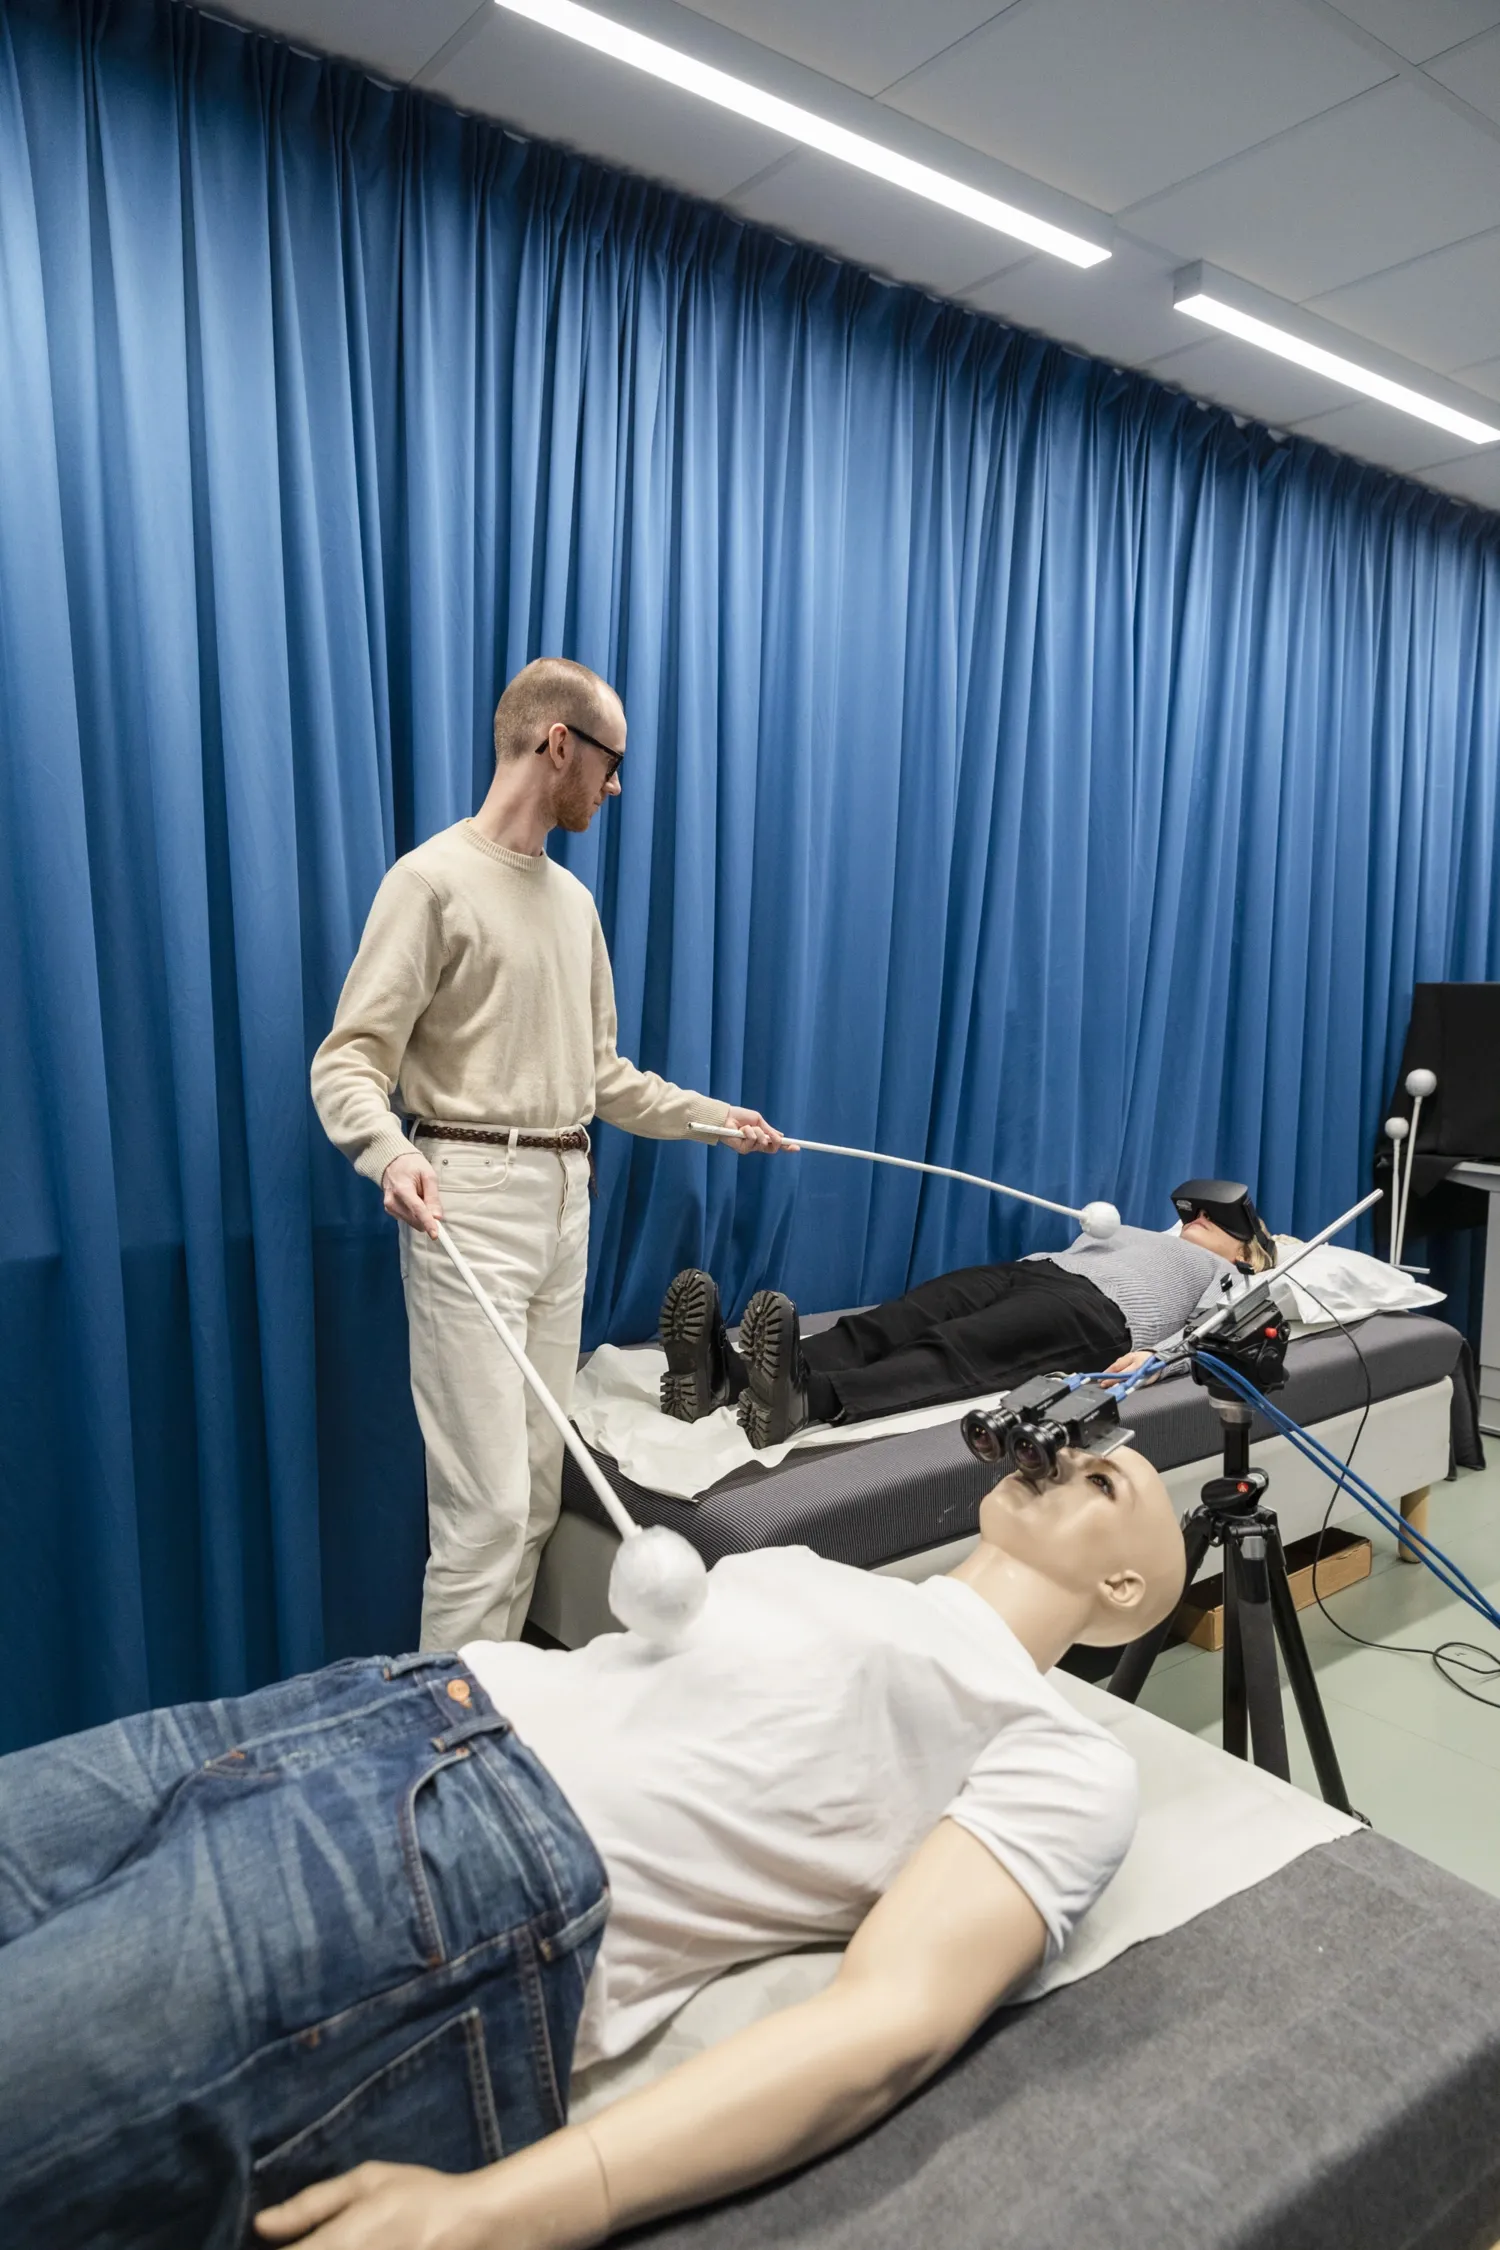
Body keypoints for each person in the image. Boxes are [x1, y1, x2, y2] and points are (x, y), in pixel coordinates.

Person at [0, 1441, 1185, 2250]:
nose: (1059, 1454)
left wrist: (520, 2209)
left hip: (453, 1852)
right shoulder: (817, 1572)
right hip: (361, 1705)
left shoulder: (1067, 1756)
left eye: (1102, 1474)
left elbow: (889, 2021)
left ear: (1128, 1585)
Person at [311, 657, 786, 1646]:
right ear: (558, 744)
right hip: (467, 1197)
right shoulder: (432, 882)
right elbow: (350, 1060)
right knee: (482, 1516)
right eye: (610, 764)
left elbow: (603, 1077)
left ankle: (505, 1724)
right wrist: (387, 1152)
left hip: (569, 1195)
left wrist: (715, 1119)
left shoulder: (573, 904)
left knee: (532, 1493)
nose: (615, 788)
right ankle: (446, 1749)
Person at [659, 1181, 1279, 1444]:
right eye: (1191, 1213)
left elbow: (1217, 1335)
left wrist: (1158, 1358)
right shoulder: (1141, 1233)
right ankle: (731, 1377)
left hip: (1094, 1316)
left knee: (955, 1349)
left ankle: (806, 1403)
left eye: (1214, 1221)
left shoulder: (1232, 1275)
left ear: (1249, 1247)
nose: (1196, 1220)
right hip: (1032, 1270)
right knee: (894, 1320)